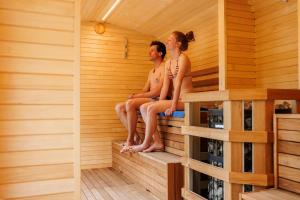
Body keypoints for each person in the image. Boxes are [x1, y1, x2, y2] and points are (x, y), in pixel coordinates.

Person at [126, 31, 194, 153]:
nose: (167, 41)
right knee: (144, 107)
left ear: (178, 44)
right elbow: (165, 87)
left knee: (151, 109)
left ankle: (145, 144)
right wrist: (159, 104)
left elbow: (178, 82)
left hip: (185, 100)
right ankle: (157, 142)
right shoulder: (168, 63)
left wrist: (172, 106)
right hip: (174, 100)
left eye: (170, 39)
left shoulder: (183, 59)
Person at [115, 41, 166, 152]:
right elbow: (145, 90)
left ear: (160, 53)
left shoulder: (164, 67)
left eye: (152, 50)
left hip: (158, 99)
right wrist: (135, 95)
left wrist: (136, 97)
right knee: (119, 107)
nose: (150, 52)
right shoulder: (151, 72)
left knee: (131, 103)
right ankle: (136, 137)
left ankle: (130, 140)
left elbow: (158, 92)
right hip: (149, 98)